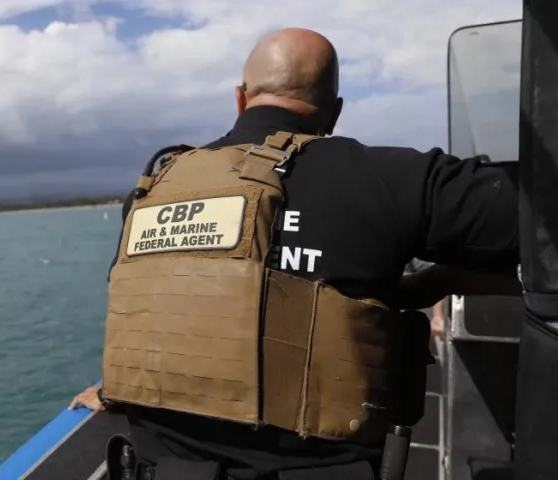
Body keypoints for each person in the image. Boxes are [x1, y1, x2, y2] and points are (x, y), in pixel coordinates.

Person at [70, 27, 520, 480]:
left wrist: (113, 390)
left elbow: (163, 308)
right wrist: (438, 282)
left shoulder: (153, 189)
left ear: (240, 99)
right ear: (336, 112)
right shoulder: (393, 178)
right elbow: (538, 233)